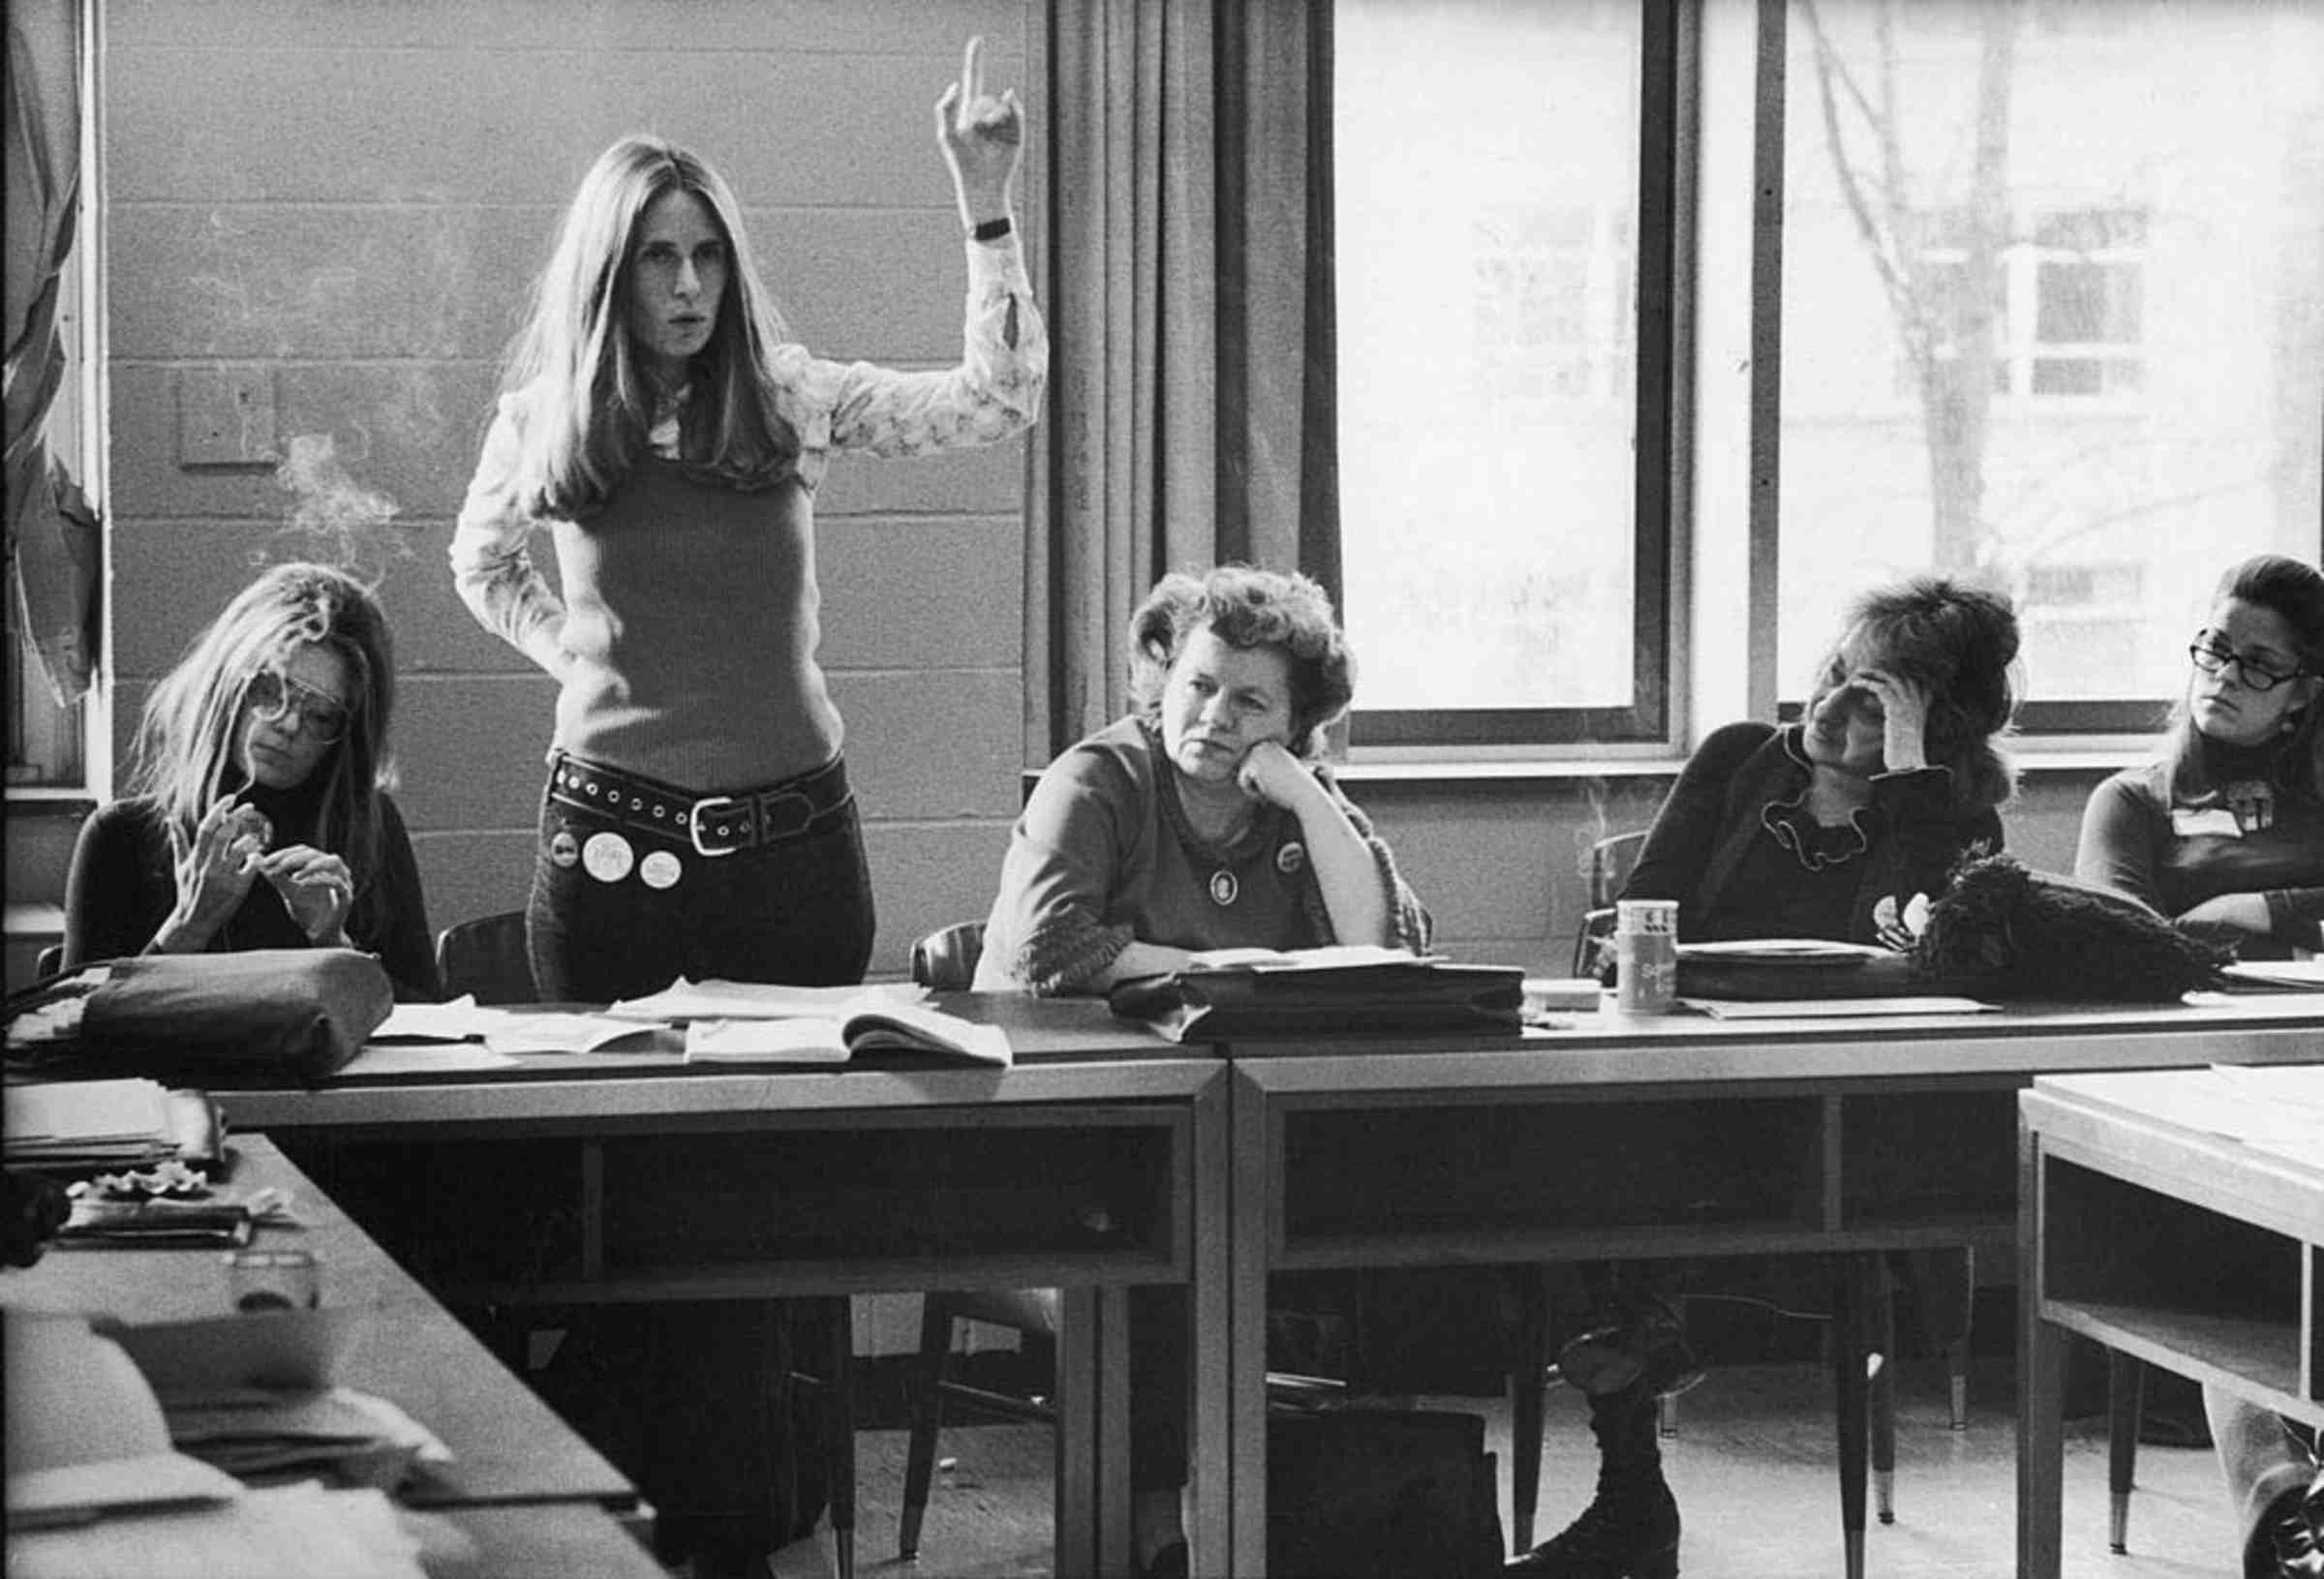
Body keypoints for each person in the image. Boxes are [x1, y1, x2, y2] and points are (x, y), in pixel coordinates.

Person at [444, 42, 1044, 1579]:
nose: (690, 286)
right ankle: (672, 1536)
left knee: (782, 1206)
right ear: (613, 275)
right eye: (659, 260)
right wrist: (581, 661)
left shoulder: (790, 403)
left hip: (790, 856)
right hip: (609, 856)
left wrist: (986, 206)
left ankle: (772, 1530)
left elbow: (1001, 399)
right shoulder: (544, 422)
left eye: (709, 256)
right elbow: (479, 565)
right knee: (638, 1212)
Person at [1509, 575, 2023, 1579]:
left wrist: (1909, 785)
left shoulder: (1957, 822)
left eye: (1875, 703)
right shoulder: (1741, 758)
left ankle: (1641, 1434)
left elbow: (1931, 954)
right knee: (1575, 1168)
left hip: (1836, 1114)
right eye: (1836, 675)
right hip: (1688, 1076)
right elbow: (1645, 913)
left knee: (1638, 1190)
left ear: (1937, 731)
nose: (1829, 709)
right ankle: (1634, 1489)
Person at [978, 563, 1430, 1575]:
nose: (1216, 715)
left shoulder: (1290, 799)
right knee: (1161, 1258)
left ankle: (1346, 1531)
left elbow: (1383, 946)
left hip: (1232, 1144)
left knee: (1403, 1227)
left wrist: (1310, 799)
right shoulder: (1099, 779)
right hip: (1066, 1145)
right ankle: (1156, 1540)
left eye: (1252, 700)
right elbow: (1050, 948)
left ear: (1297, 721)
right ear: (1161, 677)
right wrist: (1239, 969)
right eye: (1199, 683)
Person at [2073, 553, 2324, 1579]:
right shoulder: (2133, 799)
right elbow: (2113, 940)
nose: (2221, 671)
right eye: (2216, 646)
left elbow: (2191, 923)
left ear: (2306, 692)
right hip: (2180, 1094)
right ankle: (2283, 1505)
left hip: (2309, 1079)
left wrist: (2254, 910)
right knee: (2247, 1267)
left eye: (2257, 662)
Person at [61, 562, 439, 1001]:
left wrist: (336, 947)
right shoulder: (122, 835)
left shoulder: (366, 827)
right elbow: (72, 1029)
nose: (288, 722)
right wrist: (188, 927)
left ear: (344, 738)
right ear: (228, 686)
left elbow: (429, 1015)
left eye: (320, 716)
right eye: (270, 690)